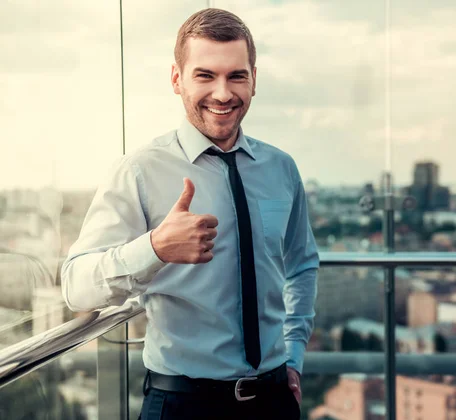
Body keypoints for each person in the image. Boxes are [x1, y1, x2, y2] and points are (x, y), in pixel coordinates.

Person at [61, 8, 319, 420]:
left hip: (273, 399)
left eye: (236, 75)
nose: (222, 93)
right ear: (177, 79)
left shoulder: (281, 168)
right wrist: (155, 248)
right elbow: (76, 287)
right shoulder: (140, 170)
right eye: (205, 75)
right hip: (182, 404)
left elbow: (302, 264)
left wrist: (293, 354)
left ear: (254, 79)